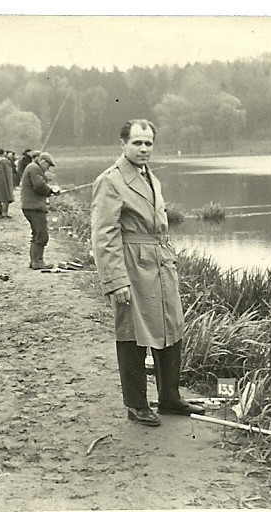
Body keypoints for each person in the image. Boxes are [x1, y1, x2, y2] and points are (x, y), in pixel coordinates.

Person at [90, 119, 205, 427]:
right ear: (123, 144)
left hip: (160, 263)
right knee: (132, 335)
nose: (143, 149)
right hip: (131, 265)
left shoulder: (151, 177)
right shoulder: (111, 181)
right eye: (137, 143)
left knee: (172, 328)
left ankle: (170, 397)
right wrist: (115, 281)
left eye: (148, 143)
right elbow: (104, 235)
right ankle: (136, 404)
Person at [20, 151, 60, 269]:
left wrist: (49, 191)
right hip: (34, 207)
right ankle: (38, 262)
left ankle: (34, 261)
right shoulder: (34, 168)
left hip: (29, 206)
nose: (47, 169)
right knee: (42, 235)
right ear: (43, 161)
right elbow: (39, 185)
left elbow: (38, 187)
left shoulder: (32, 167)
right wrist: (51, 190)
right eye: (48, 165)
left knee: (36, 234)